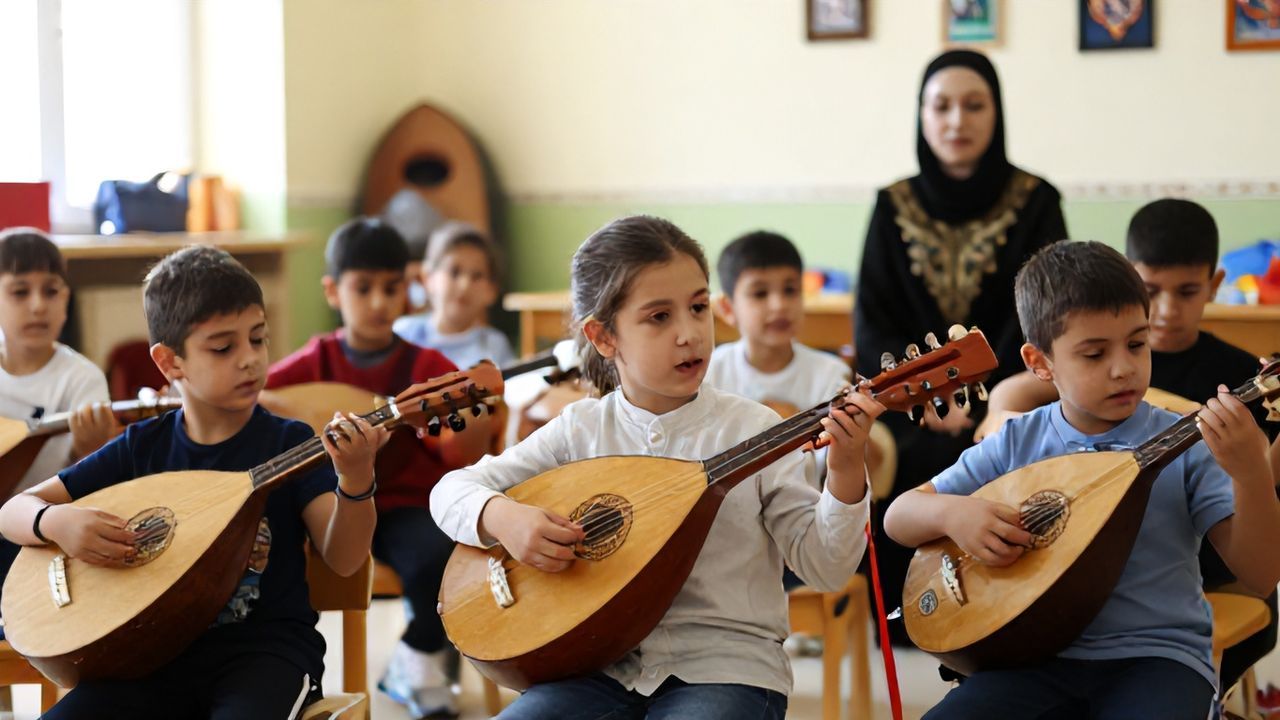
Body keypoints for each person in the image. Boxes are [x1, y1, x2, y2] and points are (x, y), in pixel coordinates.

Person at [431, 215, 881, 719]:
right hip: (593, 665)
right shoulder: (581, 430)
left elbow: (826, 566)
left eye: (697, 307)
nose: (689, 333)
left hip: (727, 668)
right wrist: (504, 518)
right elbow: (451, 489)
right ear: (604, 337)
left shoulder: (753, 429)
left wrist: (844, 468)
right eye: (659, 317)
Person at [884, 241, 1280, 720]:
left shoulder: (1189, 444)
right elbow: (898, 516)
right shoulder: (1017, 440)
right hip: (1027, 655)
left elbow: (1261, 575)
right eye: (1094, 354)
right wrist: (953, 512)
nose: (1123, 367)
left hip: (1157, 658)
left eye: (1137, 343)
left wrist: (1251, 472)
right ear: (1040, 363)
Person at [0, 245, 384, 718]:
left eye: (258, 338)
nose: (249, 360)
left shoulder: (289, 442)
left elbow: (345, 561)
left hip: (265, 655)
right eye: (223, 347)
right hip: (147, 658)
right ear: (169, 363)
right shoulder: (141, 446)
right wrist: (56, 522)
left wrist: (356, 478)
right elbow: (12, 511)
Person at [976, 198, 1280, 691]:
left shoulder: (1241, 377)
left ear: (1214, 285)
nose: (1166, 310)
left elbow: (1258, 553)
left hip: (1196, 564)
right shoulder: (1098, 350)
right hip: (1060, 587)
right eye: (1151, 291)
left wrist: (1253, 469)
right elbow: (1013, 395)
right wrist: (1001, 421)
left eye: (1186, 291)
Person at [855, 49, 1067, 640]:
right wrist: (927, 398)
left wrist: (982, 401)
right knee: (890, 454)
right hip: (908, 405)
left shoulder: (1037, 199)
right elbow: (872, 320)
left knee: (1018, 436)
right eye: (940, 106)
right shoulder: (891, 204)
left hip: (1010, 394)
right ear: (920, 116)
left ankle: (1014, 612)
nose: (956, 121)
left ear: (996, 114)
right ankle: (909, 620)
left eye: (974, 105)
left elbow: (1042, 312)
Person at [266, 217, 482, 719]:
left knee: (441, 558)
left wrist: (474, 420)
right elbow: (260, 402)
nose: (380, 303)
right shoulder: (314, 362)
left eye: (392, 288)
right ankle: (290, 673)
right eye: (363, 288)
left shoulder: (425, 364)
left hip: (406, 504)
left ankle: (415, 656)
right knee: (280, 566)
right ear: (332, 291)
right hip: (328, 504)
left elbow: (457, 453)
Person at [0, 228, 118, 493]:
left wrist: (89, 451)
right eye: (20, 292)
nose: (38, 306)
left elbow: (99, 488)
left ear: (65, 299)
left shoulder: (83, 380)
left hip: (48, 524)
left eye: (51, 291)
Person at [393, 221, 515, 370]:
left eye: (477, 276)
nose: (464, 286)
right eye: (454, 272)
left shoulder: (495, 346)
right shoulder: (403, 334)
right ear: (427, 278)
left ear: (492, 291)